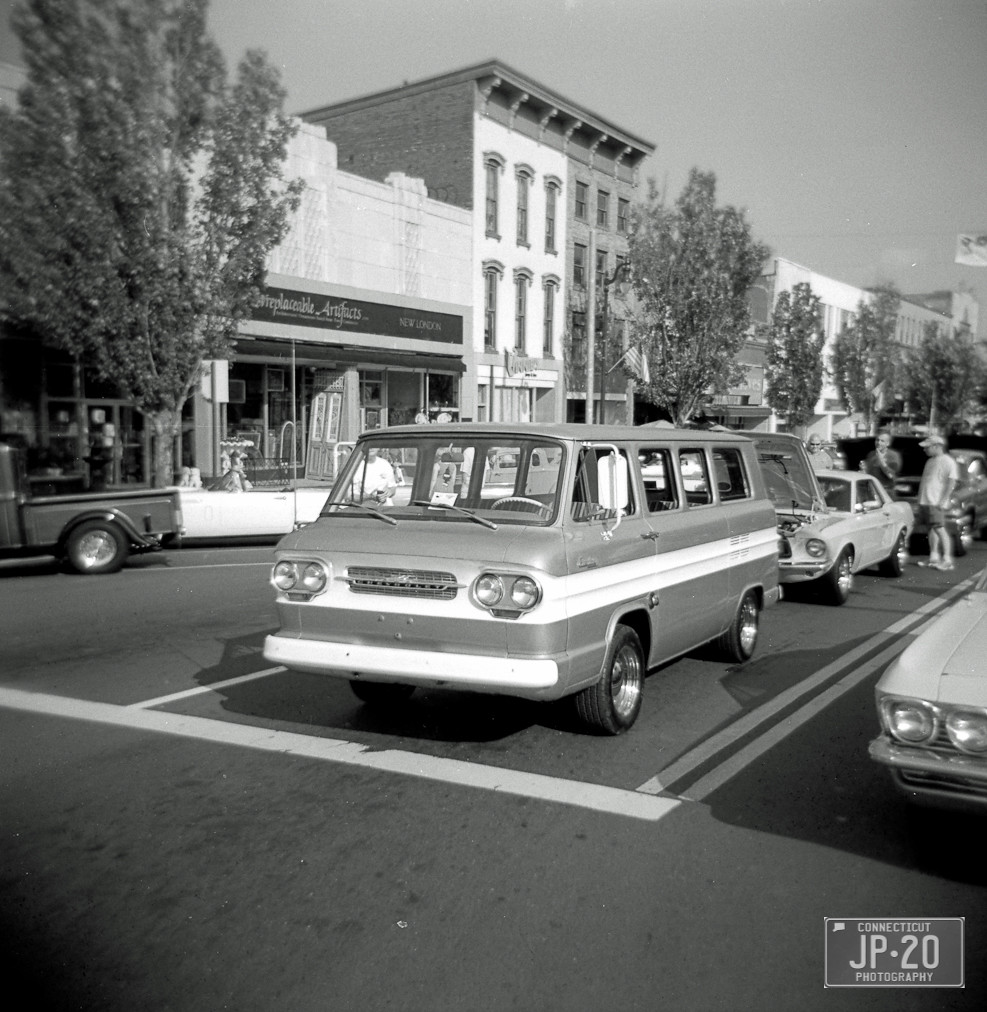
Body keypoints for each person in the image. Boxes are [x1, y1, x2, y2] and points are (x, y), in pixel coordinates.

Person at [916, 435, 959, 571]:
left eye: (927, 447)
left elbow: (952, 481)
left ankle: (947, 560)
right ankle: (934, 557)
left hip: (935, 501)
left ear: (937, 446)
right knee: (931, 529)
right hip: (926, 500)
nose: (925, 450)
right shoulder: (930, 462)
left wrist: (943, 500)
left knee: (939, 528)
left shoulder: (948, 461)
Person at [863, 430, 902, 495]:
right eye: (877, 440)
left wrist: (881, 460)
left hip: (886, 491)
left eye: (882, 441)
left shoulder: (893, 456)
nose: (878, 443)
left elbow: (890, 475)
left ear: (888, 443)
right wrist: (864, 470)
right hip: (871, 490)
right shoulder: (871, 454)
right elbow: (868, 473)